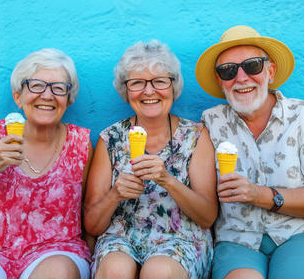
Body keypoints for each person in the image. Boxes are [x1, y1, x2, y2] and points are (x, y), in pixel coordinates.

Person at [196, 25, 304, 279]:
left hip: (300, 235)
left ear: (271, 71)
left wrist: (259, 195)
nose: (241, 78)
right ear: (221, 82)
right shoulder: (210, 122)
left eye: (252, 65)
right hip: (237, 241)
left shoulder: (302, 115)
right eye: (229, 70)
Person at [0, 48, 94, 279]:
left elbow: (88, 215)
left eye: (58, 88)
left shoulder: (80, 143)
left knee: (57, 272)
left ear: (68, 100)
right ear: (18, 97)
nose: (47, 95)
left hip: (58, 250)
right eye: (36, 85)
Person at [83, 40, 218, 279]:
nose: (149, 91)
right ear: (126, 91)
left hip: (182, 239)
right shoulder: (110, 139)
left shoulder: (196, 136)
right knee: (115, 270)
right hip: (120, 238)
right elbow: (92, 226)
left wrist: (167, 180)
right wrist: (115, 194)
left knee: (159, 272)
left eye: (159, 81)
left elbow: (207, 217)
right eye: (137, 83)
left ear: (173, 86)